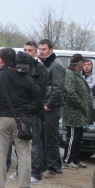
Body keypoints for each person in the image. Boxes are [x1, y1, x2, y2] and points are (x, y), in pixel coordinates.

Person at [0, 48, 39, 188]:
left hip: (2, 118)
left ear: (1, 59)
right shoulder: (26, 77)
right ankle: (24, 186)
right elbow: (38, 97)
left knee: (0, 153)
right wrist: (28, 112)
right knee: (24, 153)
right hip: (23, 120)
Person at [17, 41, 49, 184]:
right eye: (25, 50)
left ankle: (36, 173)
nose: (26, 52)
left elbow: (40, 93)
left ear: (35, 52)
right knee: (20, 143)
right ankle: (20, 171)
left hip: (34, 111)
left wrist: (29, 109)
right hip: (20, 110)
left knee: (35, 143)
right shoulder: (19, 67)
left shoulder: (40, 69)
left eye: (30, 50)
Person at [38, 39, 66, 177]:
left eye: (44, 49)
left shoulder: (56, 65)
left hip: (51, 107)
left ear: (51, 49)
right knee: (45, 137)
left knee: (51, 138)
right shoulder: (46, 63)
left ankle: (52, 168)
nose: (41, 51)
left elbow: (58, 88)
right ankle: (53, 165)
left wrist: (49, 104)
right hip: (45, 105)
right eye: (40, 49)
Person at [62, 54, 92, 170]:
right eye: (83, 64)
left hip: (79, 113)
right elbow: (71, 93)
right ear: (79, 64)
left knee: (78, 137)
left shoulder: (77, 75)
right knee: (73, 137)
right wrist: (82, 104)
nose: (84, 66)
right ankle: (67, 160)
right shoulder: (69, 75)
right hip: (73, 113)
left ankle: (75, 159)